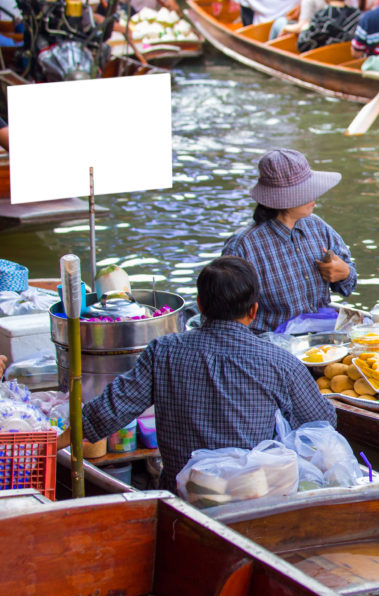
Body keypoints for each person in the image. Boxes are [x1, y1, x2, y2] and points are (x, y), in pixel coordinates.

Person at [59, 256, 337, 491]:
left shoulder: (163, 351)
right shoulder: (280, 362)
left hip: (182, 496)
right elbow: (323, 421)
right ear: (253, 311)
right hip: (251, 496)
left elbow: (107, 411)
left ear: (200, 305)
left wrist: (53, 443)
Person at [222, 149, 357, 335]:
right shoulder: (243, 246)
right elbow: (228, 319)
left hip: (321, 343)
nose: (314, 197)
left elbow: (348, 286)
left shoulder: (318, 227)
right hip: (271, 347)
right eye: (305, 192)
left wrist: (344, 273)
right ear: (279, 201)